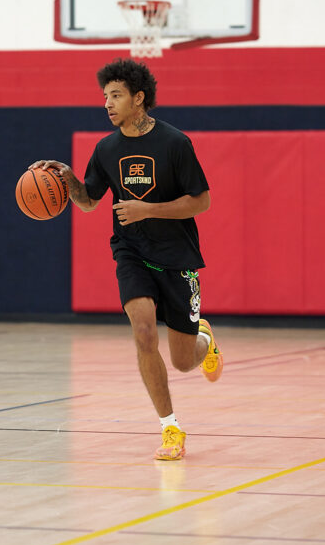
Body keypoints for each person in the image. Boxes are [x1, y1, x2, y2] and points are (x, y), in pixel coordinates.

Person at [31, 58, 222, 460]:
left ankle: (205, 339)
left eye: (116, 95)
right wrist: (66, 176)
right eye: (105, 96)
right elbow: (88, 201)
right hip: (131, 251)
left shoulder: (175, 143)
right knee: (144, 333)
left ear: (139, 98)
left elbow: (201, 201)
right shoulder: (106, 149)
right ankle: (171, 429)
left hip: (176, 255)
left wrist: (147, 209)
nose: (107, 103)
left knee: (183, 361)